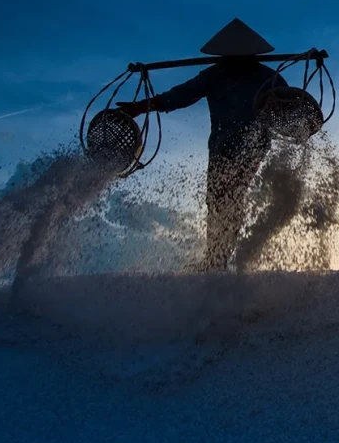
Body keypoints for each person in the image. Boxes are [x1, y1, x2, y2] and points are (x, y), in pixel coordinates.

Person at [116, 18, 287, 270]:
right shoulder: (220, 75)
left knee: (228, 197)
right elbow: (179, 95)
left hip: (249, 148)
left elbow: (287, 106)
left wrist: (142, 107)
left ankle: (217, 260)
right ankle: (216, 257)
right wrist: (142, 107)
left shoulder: (266, 78)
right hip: (223, 148)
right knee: (219, 201)